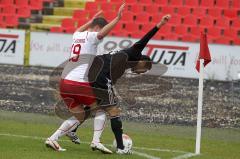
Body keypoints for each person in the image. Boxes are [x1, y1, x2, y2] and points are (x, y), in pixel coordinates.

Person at [47, 14, 171, 154]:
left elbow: (110, 72)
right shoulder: (135, 53)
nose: (141, 72)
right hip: (95, 77)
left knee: (88, 111)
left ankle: (64, 133)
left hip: (81, 77)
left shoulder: (124, 62)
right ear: (143, 61)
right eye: (145, 69)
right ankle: (116, 146)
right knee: (110, 110)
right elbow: (146, 39)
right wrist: (160, 24)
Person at [45, 3, 126, 153]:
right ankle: (96, 141)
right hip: (78, 83)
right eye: (100, 28)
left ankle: (53, 139)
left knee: (80, 115)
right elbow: (101, 34)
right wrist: (117, 18)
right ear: (97, 28)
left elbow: (81, 28)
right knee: (101, 110)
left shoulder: (77, 35)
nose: (100, 33)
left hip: (64, 82)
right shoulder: (92, 37)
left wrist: (92, 20)